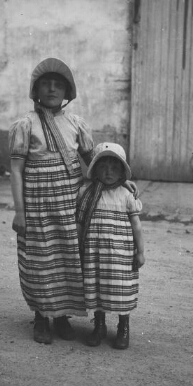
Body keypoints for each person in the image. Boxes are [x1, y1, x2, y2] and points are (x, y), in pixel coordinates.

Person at [9, 58, 138, 345]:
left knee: (68, 259)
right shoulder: (25, 126)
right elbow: (16, 171)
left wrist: (120, 180)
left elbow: (95, 162)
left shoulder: (77, 124)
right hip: (37, 204)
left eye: (58, 84)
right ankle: (42, 317)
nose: (52, 89)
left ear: (68, 91)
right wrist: (20, 211)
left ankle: (61, 316)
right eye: (46, 83)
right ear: (36, 89)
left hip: (70, 204)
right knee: (41, 259)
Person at [76, 142, 146, 350]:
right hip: (95, 254)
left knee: (120, 290)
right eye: (103, 166)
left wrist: (140, 252)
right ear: (94, 169)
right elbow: (80, 224)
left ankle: (123, 326)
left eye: (114, 167)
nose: (109, 172)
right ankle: (99, 325)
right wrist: (78, 248)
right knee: (98, 289)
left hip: (120, 256)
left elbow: (137, 226)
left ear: (123, 172)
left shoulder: (126, 196)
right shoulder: (87, 193)